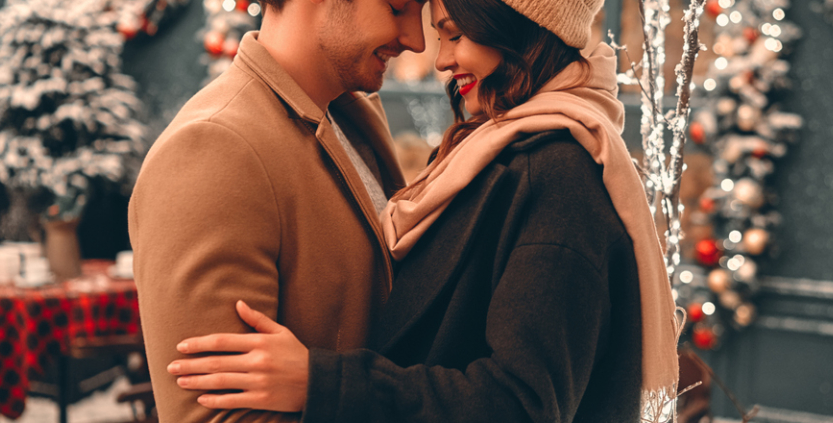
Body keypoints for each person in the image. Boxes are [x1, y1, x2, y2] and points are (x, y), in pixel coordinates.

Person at [164, 0, 682, 421]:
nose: (426, 50)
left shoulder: (553, 170)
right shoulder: (481, 150)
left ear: (513, 32)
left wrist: (321, 382)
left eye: (452, 33)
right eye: (398, 8)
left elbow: (522, 404)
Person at [127, 0, 426, 421]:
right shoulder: (214, 148)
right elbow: (218, 416)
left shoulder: (350, 119)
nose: (417, 39)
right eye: (397, 8)